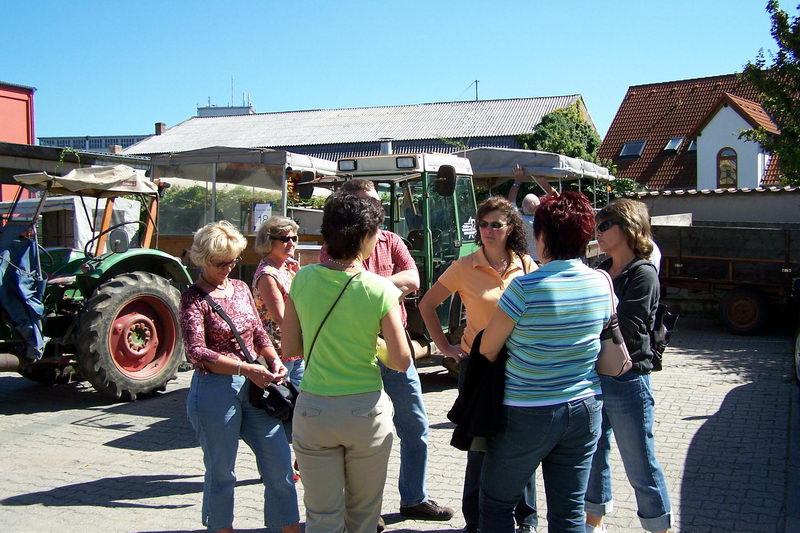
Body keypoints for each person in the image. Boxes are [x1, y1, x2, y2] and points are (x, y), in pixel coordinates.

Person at [320, 179, 455, 524]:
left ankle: (414, 498)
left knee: (415, 425)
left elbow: (414, 279)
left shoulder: (392, 241)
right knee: (361, 435)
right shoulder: (334, 246)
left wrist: (371, 285)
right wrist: (385, 287)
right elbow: (347, 287)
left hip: (395, 347)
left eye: (375, 203)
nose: (373, 209)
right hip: (357, 349)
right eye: (364, 202)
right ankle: (366, 510)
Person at [477, 191, 610, 533]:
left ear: (543, 236)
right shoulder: (602, 282)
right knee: (568, 513)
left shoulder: (524, 288)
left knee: (495, 501)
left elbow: (488, 349)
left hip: (528, 410)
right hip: (585, 407)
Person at [281, 192, 413, 533]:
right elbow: (400, 360)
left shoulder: (302, 279)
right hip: (364, 411)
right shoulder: (379, 288)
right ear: (366, 236)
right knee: (363, 517)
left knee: (322, 517)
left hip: (314, 410)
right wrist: (372, 343)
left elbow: (291, 348)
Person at [419, 196, 538, 533]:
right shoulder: (464, 266)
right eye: (483, 224)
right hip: (479, 368)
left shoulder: (526, 264)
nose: (487, 230)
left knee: (520, 445)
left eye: (495, 224)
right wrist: (444, 346)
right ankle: (476, 521)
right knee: (479, 446)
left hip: (519, 366)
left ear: (510, 227)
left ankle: (526, 520)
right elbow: (428, 305)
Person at [180, 220, 300, 533]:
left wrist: (274, 360)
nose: (229, 268)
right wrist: (245, 368)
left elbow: (258, 331)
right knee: (222, 473)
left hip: (255, 387)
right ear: (203, 260)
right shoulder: (193, 298)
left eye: (233, 260)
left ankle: (286, 527)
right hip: (215, 390)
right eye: (221, 263)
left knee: (279, 466)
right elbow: (196, 353)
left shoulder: (242, 287)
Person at [585, 199, 671, 533]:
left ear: (628, 227)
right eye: (597, 226)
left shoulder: (643, 273)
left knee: (640, 462)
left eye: (605, 226)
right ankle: (594, 522)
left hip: (628, 378)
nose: (599, 232)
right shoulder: (603, 270)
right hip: (596, 375)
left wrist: (590, 322)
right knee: (594, 454)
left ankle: (657, 526)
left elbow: (629, 326)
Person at [252, 216, 303, 386]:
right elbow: (281, 317)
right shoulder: (268, 274)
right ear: (269, 241)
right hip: (279, 352)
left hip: (294, 347)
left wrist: (298, 274)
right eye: (284, 239)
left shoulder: (286, 268)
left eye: (294, 238)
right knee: (286, 401)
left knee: (299, 399)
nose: (291, 243)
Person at [507, 164, 559, 262]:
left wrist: (517, 181)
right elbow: (560, 201)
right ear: (538, 207)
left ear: (522, 207)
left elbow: (510, 202)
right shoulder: (545, 222)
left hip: (525, 262)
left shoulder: (520, 221)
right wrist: (543, 183)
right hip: (544, 261)